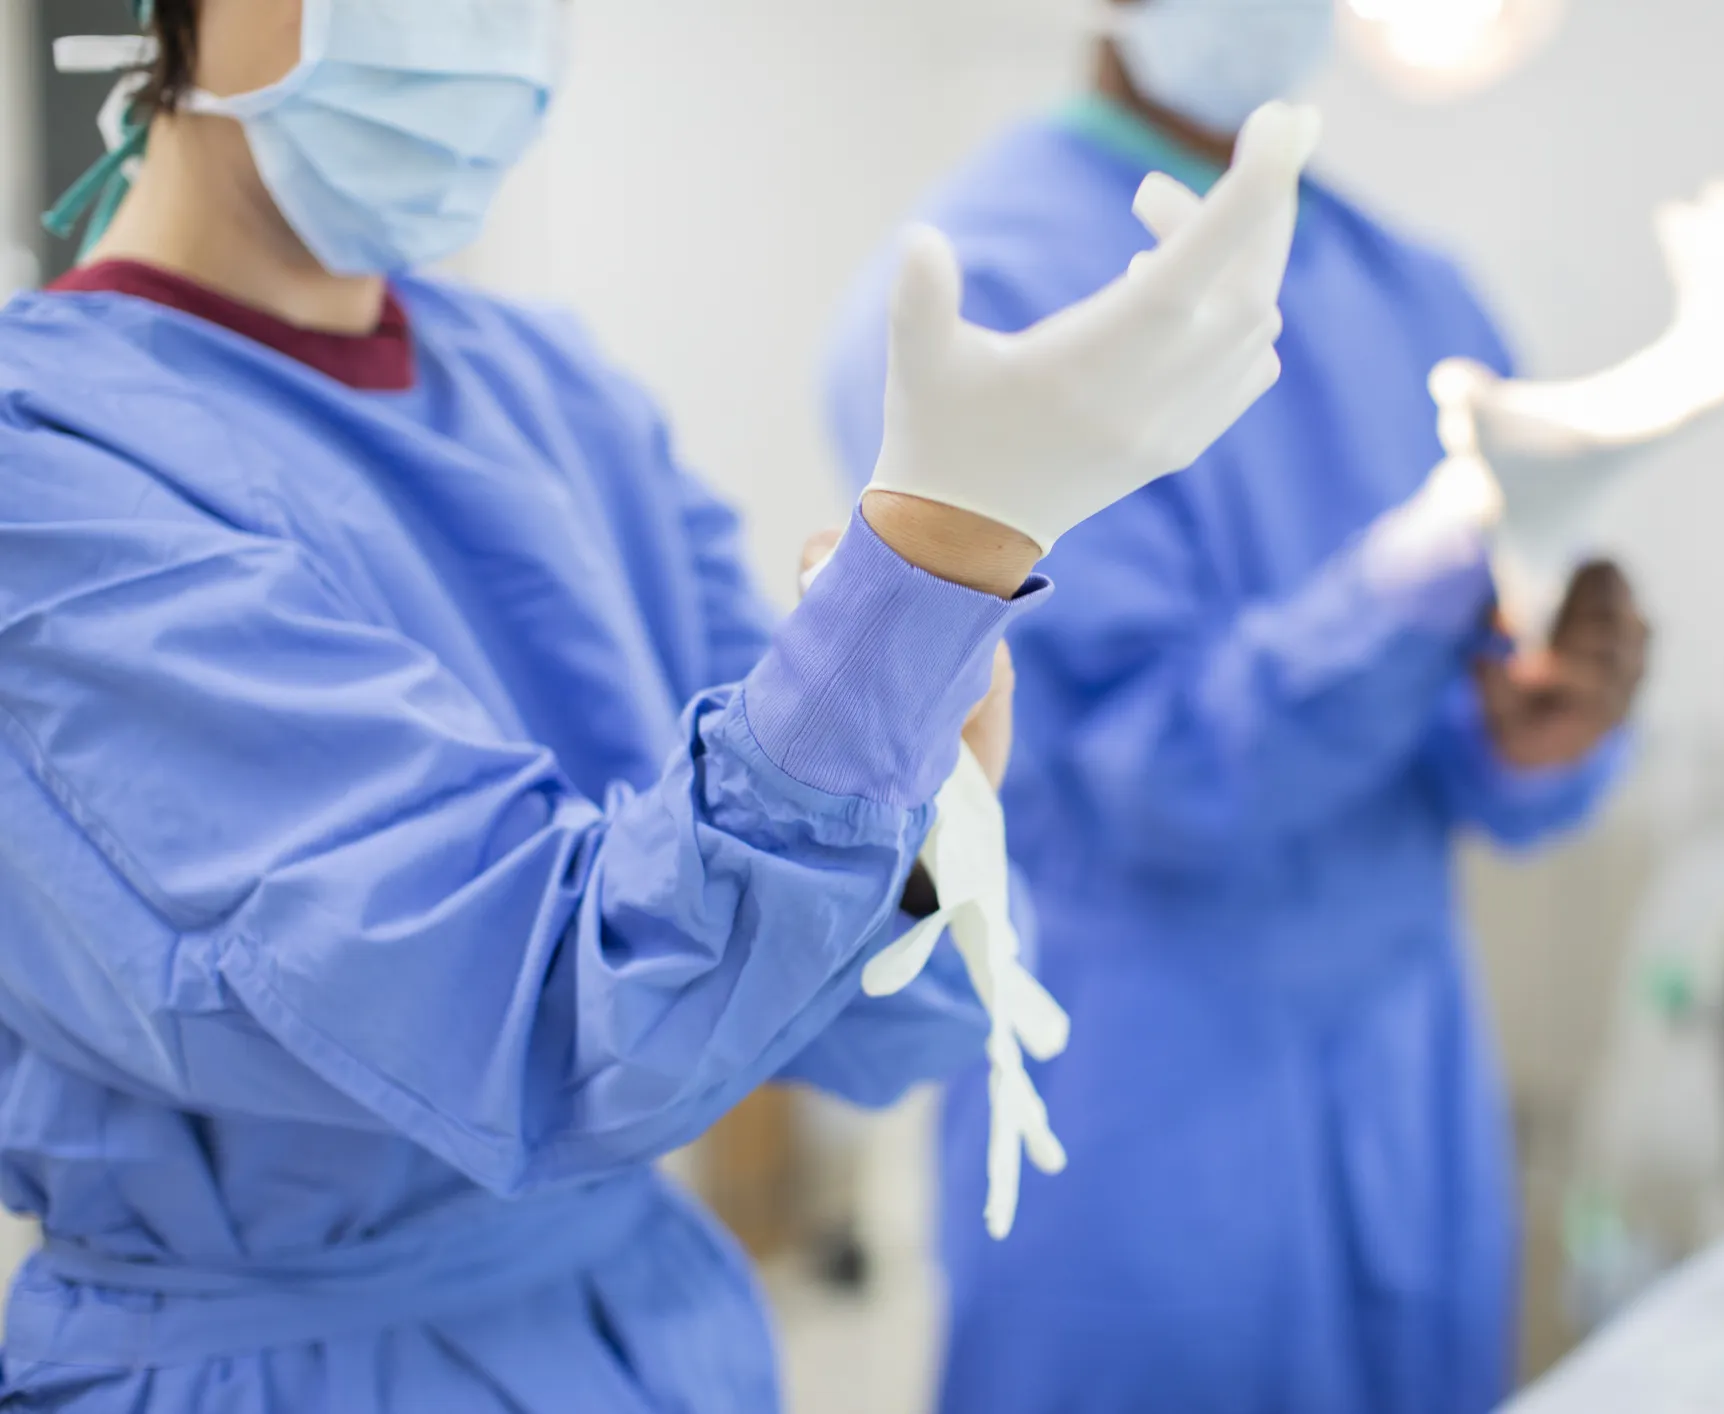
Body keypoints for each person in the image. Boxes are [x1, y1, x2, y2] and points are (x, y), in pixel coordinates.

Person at [0, 0, 1313, 1409]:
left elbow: (848, 1008)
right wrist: (930, 572)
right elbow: (540, 1024)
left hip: (650, 1340)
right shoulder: (48, 464)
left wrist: (928, 727)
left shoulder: (555, 391)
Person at [824, 2, 1651, 1411]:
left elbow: (1472, 743)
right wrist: (1404, 584)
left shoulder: (1414, 289)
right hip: (1142, 1085)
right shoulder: (983, 287)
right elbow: (1140, 782)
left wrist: (1543, 728)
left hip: (1410, 1076)